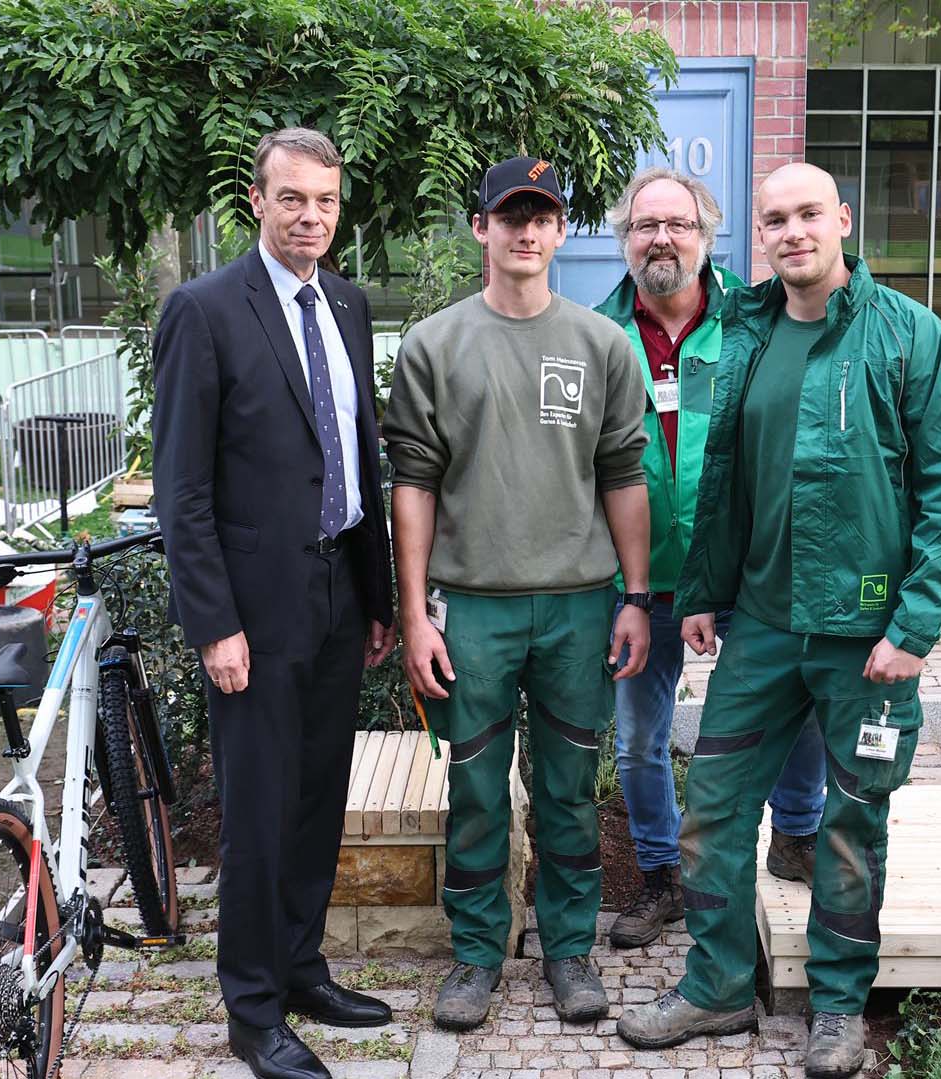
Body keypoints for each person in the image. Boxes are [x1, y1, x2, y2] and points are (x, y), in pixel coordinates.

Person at [615, 163, 941, 1078]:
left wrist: (915, 625)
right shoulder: (748, 332)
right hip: (766, 628)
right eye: (774, 219)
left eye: (808, 213)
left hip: (866, 639)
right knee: (715, 810)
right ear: (761, 239)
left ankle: (838, 1006)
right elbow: (725, 478)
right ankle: (718, 987)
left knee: (852, 825)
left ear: (842, 220)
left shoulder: (909, 338)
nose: (792, 232)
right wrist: (702, 590)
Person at [383, 155, 652, 1032]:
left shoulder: (602, 345)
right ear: (481, 229)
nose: (526, 230)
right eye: (510, 216)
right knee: (475, 788)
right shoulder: (435, 344)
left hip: (579, 604)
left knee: (573, 786)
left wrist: (636, 596)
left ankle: (569, 951)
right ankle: (475, 956)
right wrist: (416, 610)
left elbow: (624, 476)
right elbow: (413, 484)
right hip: (473, 607)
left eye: (541, 216)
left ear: (561, 230)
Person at [151, 128, 396, 1079]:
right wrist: (214, 622)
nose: (312, 217)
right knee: (257, 807)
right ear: (256, 201)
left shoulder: (348, 302)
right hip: (252, 610)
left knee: (316, 795)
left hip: (339, 589)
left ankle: (300, 966)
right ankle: (252, 1010)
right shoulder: (204, 310)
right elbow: (183, 490)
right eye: (293, 198)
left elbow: (358, 456)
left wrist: (375, 592)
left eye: (327, 201)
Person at [591, 167, 828, 952]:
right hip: (644, 580)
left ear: (708, 236)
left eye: (678, 224)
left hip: (746, 568)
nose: (662, 238)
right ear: (625, 239)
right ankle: (662, 875)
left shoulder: (757, 320)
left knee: (790, 707)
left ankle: (795, 834)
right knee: (637, 736)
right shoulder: (596, 335)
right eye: (645, 226)